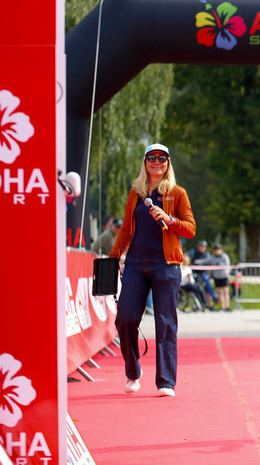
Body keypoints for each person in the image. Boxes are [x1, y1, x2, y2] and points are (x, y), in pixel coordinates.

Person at [108, 143, 196, 397]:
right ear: (145, 162)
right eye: (151, 158)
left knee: (165, 323)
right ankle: (132, 371)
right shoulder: (135, 193)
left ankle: (166, 381)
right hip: (135, 264)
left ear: (168, 164)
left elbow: (190, 228)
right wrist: (113, 259)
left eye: (162, 158)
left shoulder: (177, 193)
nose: (157, 162)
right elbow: (126, 229)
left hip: (165, 265)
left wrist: (170, 219)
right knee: (125, 318)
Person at [187, 239, 217, 308]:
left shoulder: (207, 254)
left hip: (204, 273)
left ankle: (210, 304)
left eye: (204, 247)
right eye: (201, 246)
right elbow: (186, 255)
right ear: (198, 247)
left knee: (208, 288)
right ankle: (200, 303)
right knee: (199, 288)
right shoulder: (194, 252)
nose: (202, 248)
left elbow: (210, 261)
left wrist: (199, 262)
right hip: (196, 274)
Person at [209, 243, 232, 311]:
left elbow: (227, 264)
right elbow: (210, 263)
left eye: (218, 249)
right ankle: (222, 306)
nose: (217, 251)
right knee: (219, 292)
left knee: (226, 291)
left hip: (224, 276)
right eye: (215, 250)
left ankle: (227, 306)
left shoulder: (224, 256)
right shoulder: (213, 257)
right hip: (217, 276)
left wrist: (220, 264)